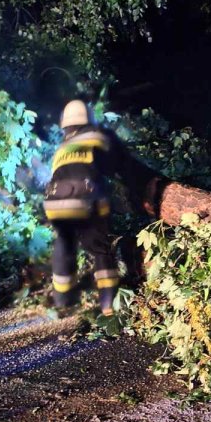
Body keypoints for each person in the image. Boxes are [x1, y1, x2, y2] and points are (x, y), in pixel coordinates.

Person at [43, 99, 135, 316]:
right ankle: (107, 304)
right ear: (89, 119)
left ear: (66, 125)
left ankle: (62, 301)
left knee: (64, 244)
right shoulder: (99, 135)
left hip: (55, 203)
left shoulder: (62, 148)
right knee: (100, 247)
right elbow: (121, 165)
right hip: (85, 197)